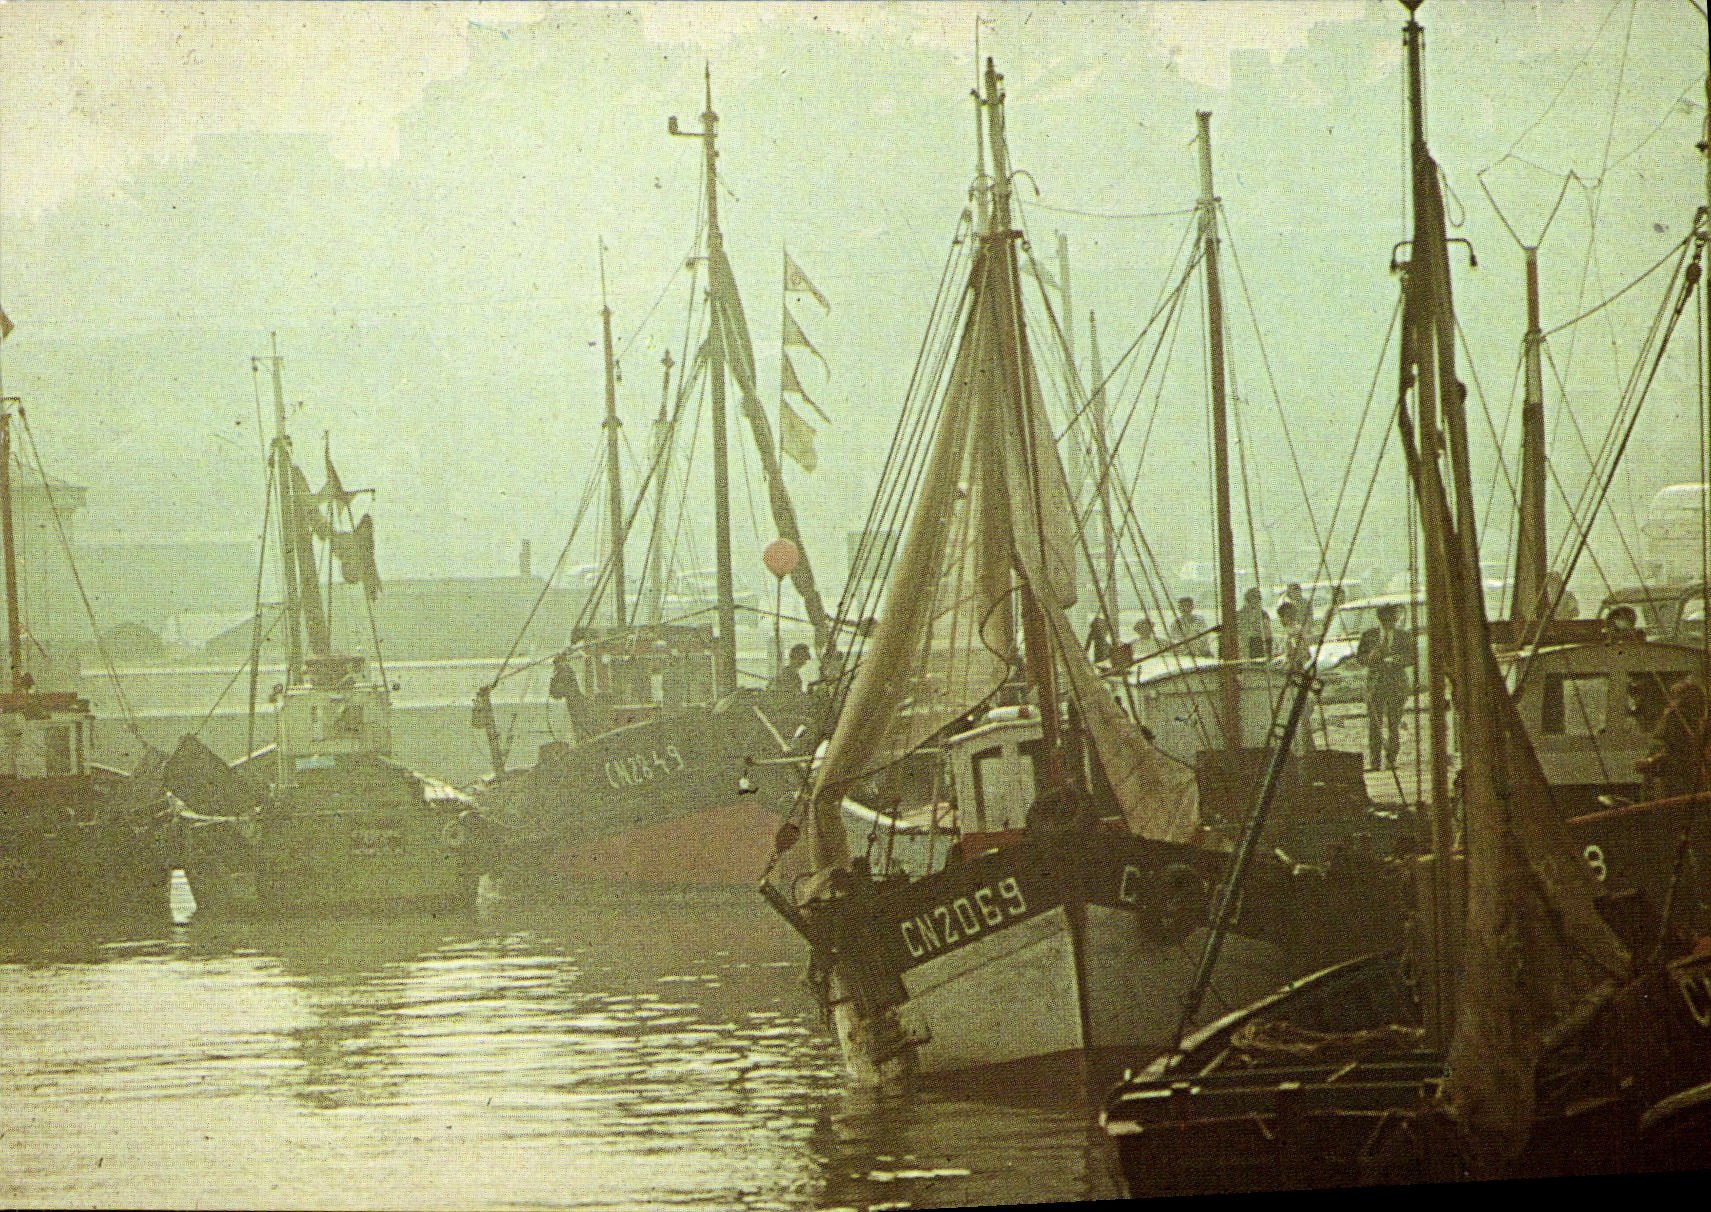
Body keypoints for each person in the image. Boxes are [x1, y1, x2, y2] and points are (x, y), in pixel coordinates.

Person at [1356, 602, 1415, 772]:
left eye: (1392, 619)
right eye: (1386, 619)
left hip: (1396, 684)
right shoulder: (1369, 636)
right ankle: (1375, 762)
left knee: (1394, 724)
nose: (1389, 623)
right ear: (1380, 619)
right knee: (1375, 724)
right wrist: (1370, 657)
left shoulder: (1403, 636)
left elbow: (1412, 657)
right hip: (1375, 685)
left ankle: (1391, 760)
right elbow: (1360, 658)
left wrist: (1399, 660)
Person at [1635, 677, 1707, 800]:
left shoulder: (1679, 718)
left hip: (1676, 783)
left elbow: (1677, 751)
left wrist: (1651, 761)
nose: (1671, 704)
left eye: (1676, 697)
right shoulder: (1691, 721)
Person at [1235, 587, 1273, 659]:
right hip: (1242, 650)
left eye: (1258, 599)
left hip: (1258, 648)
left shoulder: (1263, 615)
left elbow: (1268, 635)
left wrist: (1269, 653)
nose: (1257, 602)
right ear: (1247, 601)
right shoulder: (1238, 615)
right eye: (1254, 599)